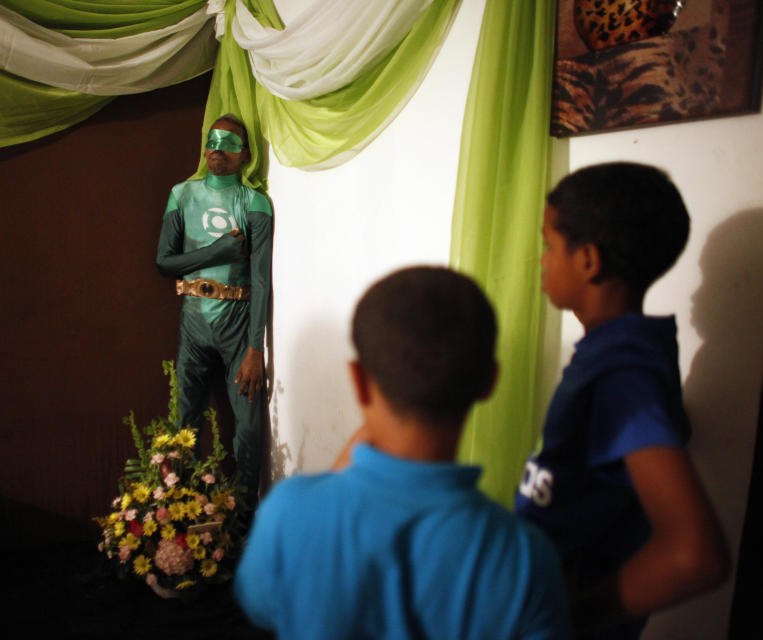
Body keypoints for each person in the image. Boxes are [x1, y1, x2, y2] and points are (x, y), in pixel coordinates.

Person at [234, 266, 571, 640]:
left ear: (359, 381)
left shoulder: (288, 512)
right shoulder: (524, 558)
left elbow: (261, 605)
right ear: (489, 382)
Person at [514, 162, 730, 639]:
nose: (543, 260)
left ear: (588, 260)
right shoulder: (628, 354)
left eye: (549, 246)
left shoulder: (623, 373)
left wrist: (570, 617)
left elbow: (696, 554)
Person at [155, 114, 272, 510]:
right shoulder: (182, 195)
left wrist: (255, 348)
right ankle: (177, 515)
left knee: (249, 426)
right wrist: (218, 251)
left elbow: (261, 277)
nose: (218, 149)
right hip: (193, 318)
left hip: (238, 323)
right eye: (212, 140)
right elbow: (164, 263)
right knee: (183, 421)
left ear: (245, 156)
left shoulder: (255, 203)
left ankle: (242, 519)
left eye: (229, 143)